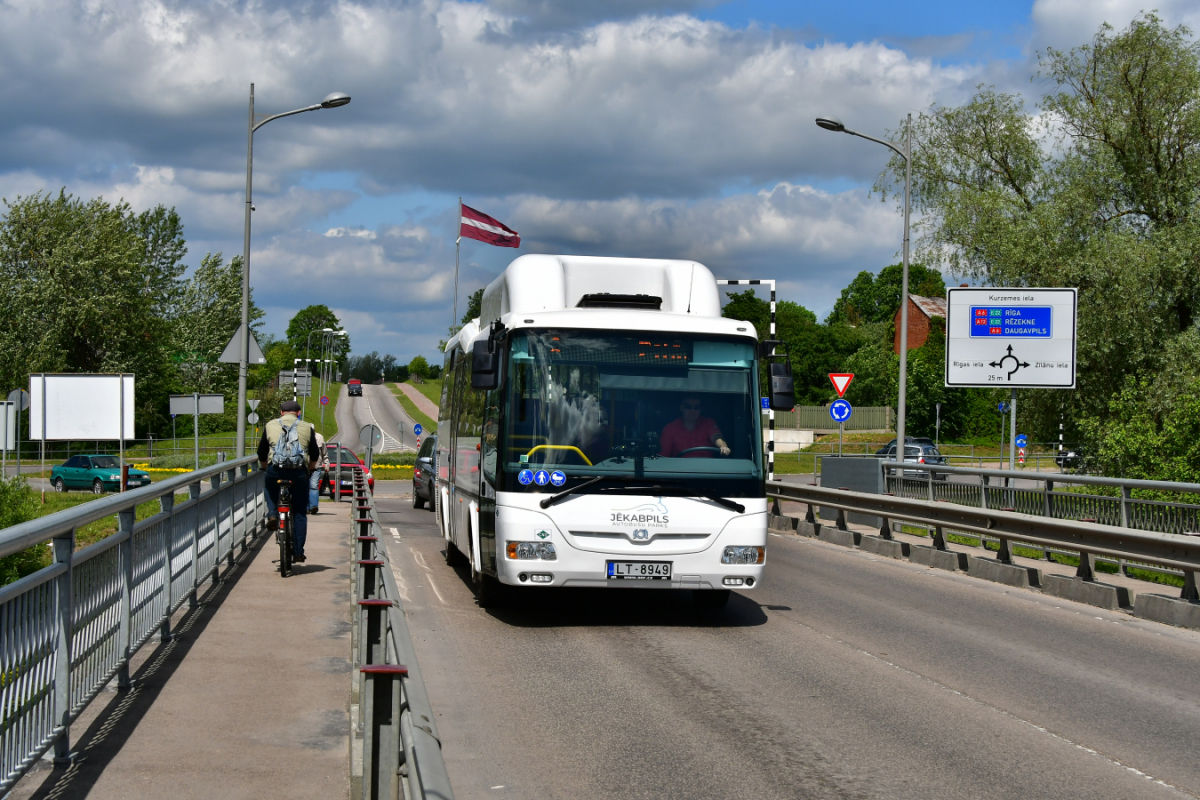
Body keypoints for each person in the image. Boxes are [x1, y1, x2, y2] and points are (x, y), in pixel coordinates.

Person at [259, 400, 320, 563]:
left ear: (281, 413)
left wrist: (265, 466)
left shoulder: (270, 425)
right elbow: (314, 453)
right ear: (298, 413)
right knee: (300, 512)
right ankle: (299, 552)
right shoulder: (307, 427)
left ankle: (272, 514)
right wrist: (311, 469)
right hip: (298, 472)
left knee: (270, 488)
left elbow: (261, 451)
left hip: (275, 470)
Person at [660, 395, 731, 458]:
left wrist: (723, 446)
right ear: (681, 408)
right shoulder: (670, 428)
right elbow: (663, 457)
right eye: (689, 407)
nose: (693, 410)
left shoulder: (708, 423)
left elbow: (717, 438)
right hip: (681, 470)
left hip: (706, 469)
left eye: (696, 407)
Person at [309, 428, 328, 514]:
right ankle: (305, 507)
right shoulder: (303, 436)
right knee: (304, 487)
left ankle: (313, 506)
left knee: (313, 486)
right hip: (304, 467)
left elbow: (324, 452)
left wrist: (326, 463)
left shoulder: (319, 437)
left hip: (316, 467)